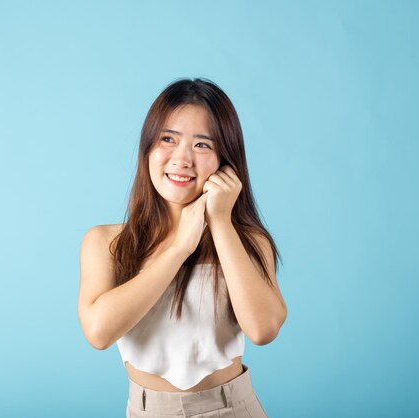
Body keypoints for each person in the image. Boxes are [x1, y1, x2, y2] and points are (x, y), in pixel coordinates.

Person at [78, 78, 287, 418]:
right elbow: (98, 332)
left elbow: (263, 329)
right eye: (168, 139)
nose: (182, 158)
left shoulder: (248, 241)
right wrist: (179, 247)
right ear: (148, 148)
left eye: (202, 145)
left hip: (231, 408)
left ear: (226, 160)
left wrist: (219, 222)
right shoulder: (108, 243)